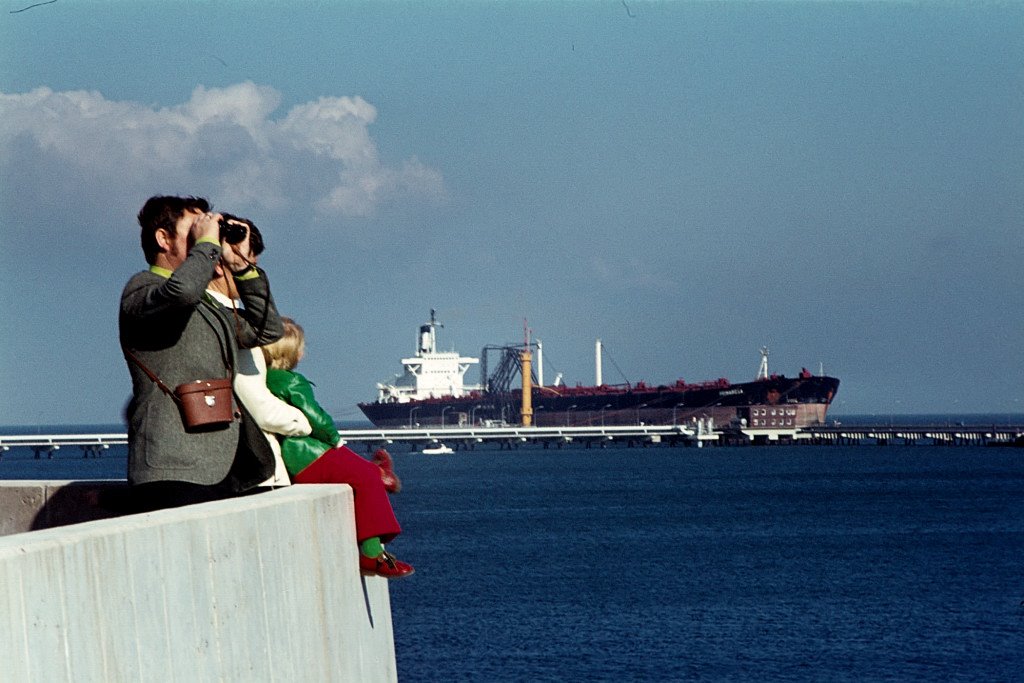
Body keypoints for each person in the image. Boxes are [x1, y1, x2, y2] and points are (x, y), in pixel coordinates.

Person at [119, 195, 284, 509]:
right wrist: (206, 245)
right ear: (163, 238)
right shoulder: (141, 290)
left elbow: (266, 331)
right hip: (173, 464)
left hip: (220, 463)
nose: (203, 238)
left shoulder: (207, 305)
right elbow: (180, 292)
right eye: (193, 230)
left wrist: (242, 269)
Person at [262, 318, 414, 578]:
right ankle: (371, 554)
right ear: (293, 352)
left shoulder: (264, 380)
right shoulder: (291, 382)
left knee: (358, 471)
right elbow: (316, 418)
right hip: (307, 455)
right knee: (364, 477)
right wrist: (335, 438)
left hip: (294, 456)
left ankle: (378, 473)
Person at [205, 218, 311, 487]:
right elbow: (259, 407)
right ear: (220, 264)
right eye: (251, 262)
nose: (251, 272)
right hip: (257, 472)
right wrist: (306, 422)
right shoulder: (228, 321)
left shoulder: (208, 315)